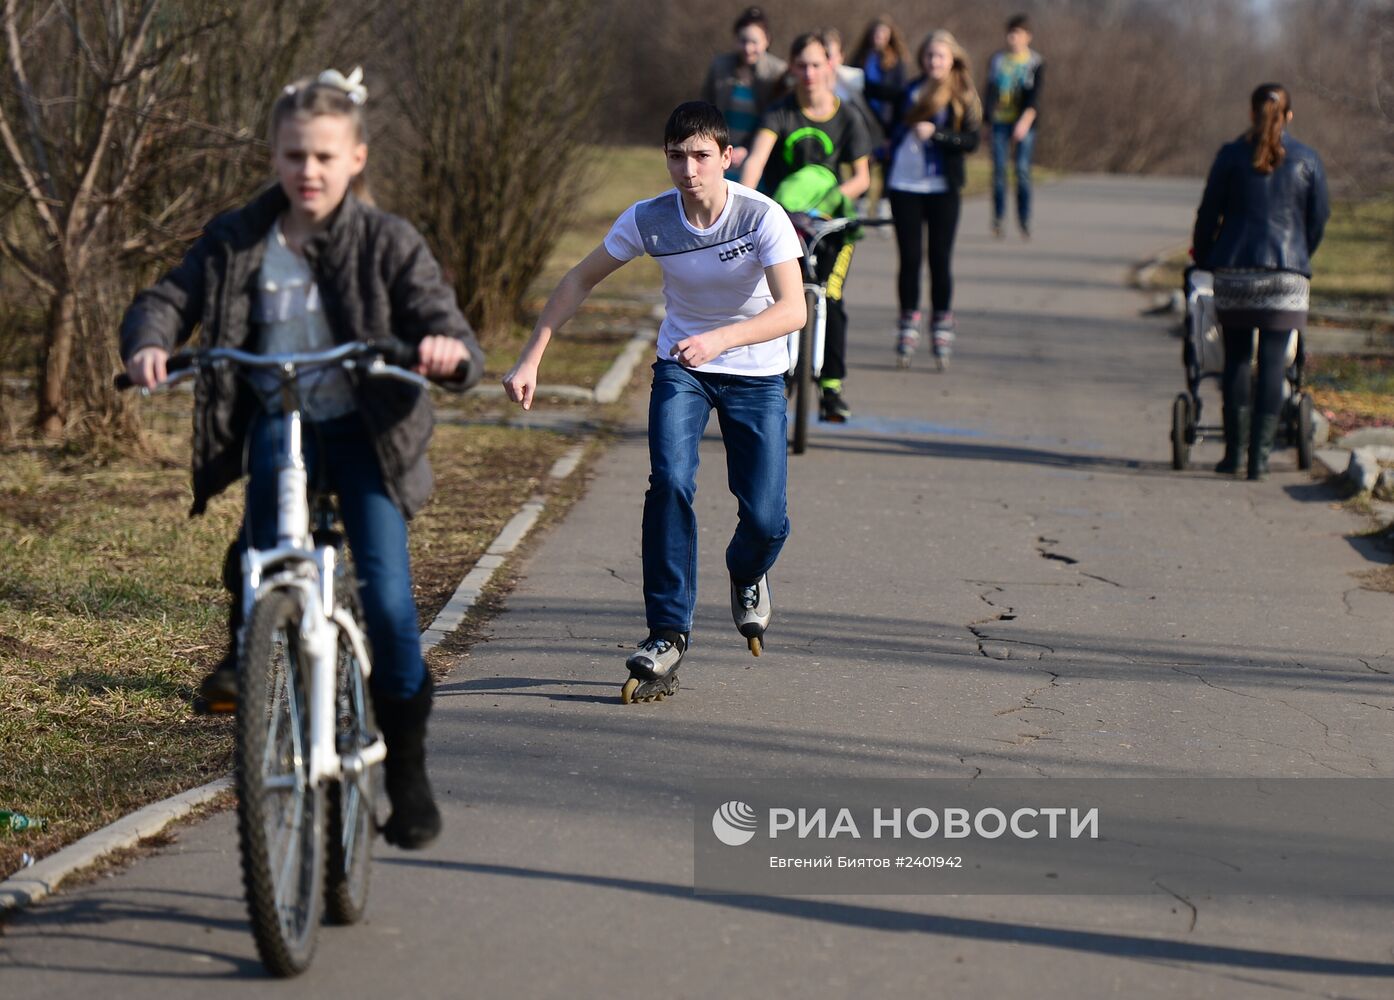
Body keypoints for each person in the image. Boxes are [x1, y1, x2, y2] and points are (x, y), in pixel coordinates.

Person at [119, 68, 484, 849]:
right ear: (275, 158)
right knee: (256, 548)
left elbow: (442, 319)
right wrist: (152, 341)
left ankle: (408, 767)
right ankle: (246, 652)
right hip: (277, 419)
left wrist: (444, 350)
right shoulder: (239, 236)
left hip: (365, 429)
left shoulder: (387, 241)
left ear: (354, 157)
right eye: (293, 156)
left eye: (323, 156)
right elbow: (170, 295)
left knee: (387, 597)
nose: (307, 172)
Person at [503, 102, 804, 702]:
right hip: (681, 370)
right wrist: (532, 354)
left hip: (755, 370)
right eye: (676, 156)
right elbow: (578, 280)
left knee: (766, 519)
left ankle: (747, 571)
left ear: (726, 157)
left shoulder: (761, 215)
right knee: (669, 481)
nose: (688, 169)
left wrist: (720, 338)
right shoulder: (649, 220)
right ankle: (667, 633)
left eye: (700, 156)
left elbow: (794, 309)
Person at [1192, 83, 1329, 480]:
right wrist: (1301, 255)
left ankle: (1234, 454)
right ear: (1289, 116)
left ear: (1251, 114)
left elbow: (1208, 213)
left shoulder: (1231, 156)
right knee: (1273, 361)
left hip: (1236, 272)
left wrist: (1204, 257)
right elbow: (1318, 219)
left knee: (1236, 357)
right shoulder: (1308, 159)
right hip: (1287, 274)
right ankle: (1261, 458)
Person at [740, 30, 872, 422]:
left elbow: (862, 177)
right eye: (802, 65)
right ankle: (775, 378)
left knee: (831, 298)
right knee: (778, 300)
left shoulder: (847, 116)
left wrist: (825, 205)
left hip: (832, 226)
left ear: (830, 66)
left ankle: (831, 388)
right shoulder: (780, 112)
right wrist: (743, 202)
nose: (810, 73)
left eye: (817, 64)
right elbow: (756, 160)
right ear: (792, 68)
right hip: (785, 223)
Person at [885, 30, 982, 371]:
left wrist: (938, 135)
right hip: (904, 183)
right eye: (928, 56)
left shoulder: (962, 94)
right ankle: (907, 322)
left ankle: (941, 323)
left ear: (952, 58)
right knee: (909, 259)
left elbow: (971, 141)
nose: (933, 62)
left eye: (940, 56)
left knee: (940, 259)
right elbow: (891, 129)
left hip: (943, 186)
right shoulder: (909, 91)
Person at [701, 6, 789, 180]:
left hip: (760, 157)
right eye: (743, 41)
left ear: (767, 41)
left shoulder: (777, 73)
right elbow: (706, 109)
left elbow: (776, 119)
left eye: (754, 42)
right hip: (720, 150)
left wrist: (747, 148)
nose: (748, 48)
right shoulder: (719, 67)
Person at [983, 13, 1044, 239]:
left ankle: (1024, 218)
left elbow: (1035, 97)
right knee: (999, 171)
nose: (1013, 38)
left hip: (1024, 122)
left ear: (1027, 37)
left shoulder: (1035, 62)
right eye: (1010, 33)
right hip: (1000, 120)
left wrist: (1025, 122)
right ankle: (998, 218)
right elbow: (989, 92)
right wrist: (986, 123)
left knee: (1022, 170)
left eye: (1017, 34)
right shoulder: (998, 60)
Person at [850, 14, 911, 215]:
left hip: (886, 121)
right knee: (862, 162)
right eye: (876, 33)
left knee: (886, 165)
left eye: (883, 34)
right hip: (862, 120)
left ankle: (884, 204)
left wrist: (871, 88)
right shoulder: (861, 58)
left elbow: (899, 93)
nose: (879, 37)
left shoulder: (896, 62)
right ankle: (861, 203)